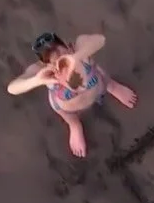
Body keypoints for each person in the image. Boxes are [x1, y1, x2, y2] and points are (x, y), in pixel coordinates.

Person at [7, 32, 137, 158]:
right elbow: (12, 88)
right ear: (44, 65)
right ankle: (75, 126)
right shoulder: (42, 72)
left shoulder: (79, 50)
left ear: (69, 47)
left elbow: (100, 40)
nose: (61, 66)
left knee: (103, 77)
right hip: (67, 107)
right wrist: (37, 80)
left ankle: (113, 86)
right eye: (54, 63)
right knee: (69, 117)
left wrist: (75, 58)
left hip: (97, 88)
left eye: (62, 57)